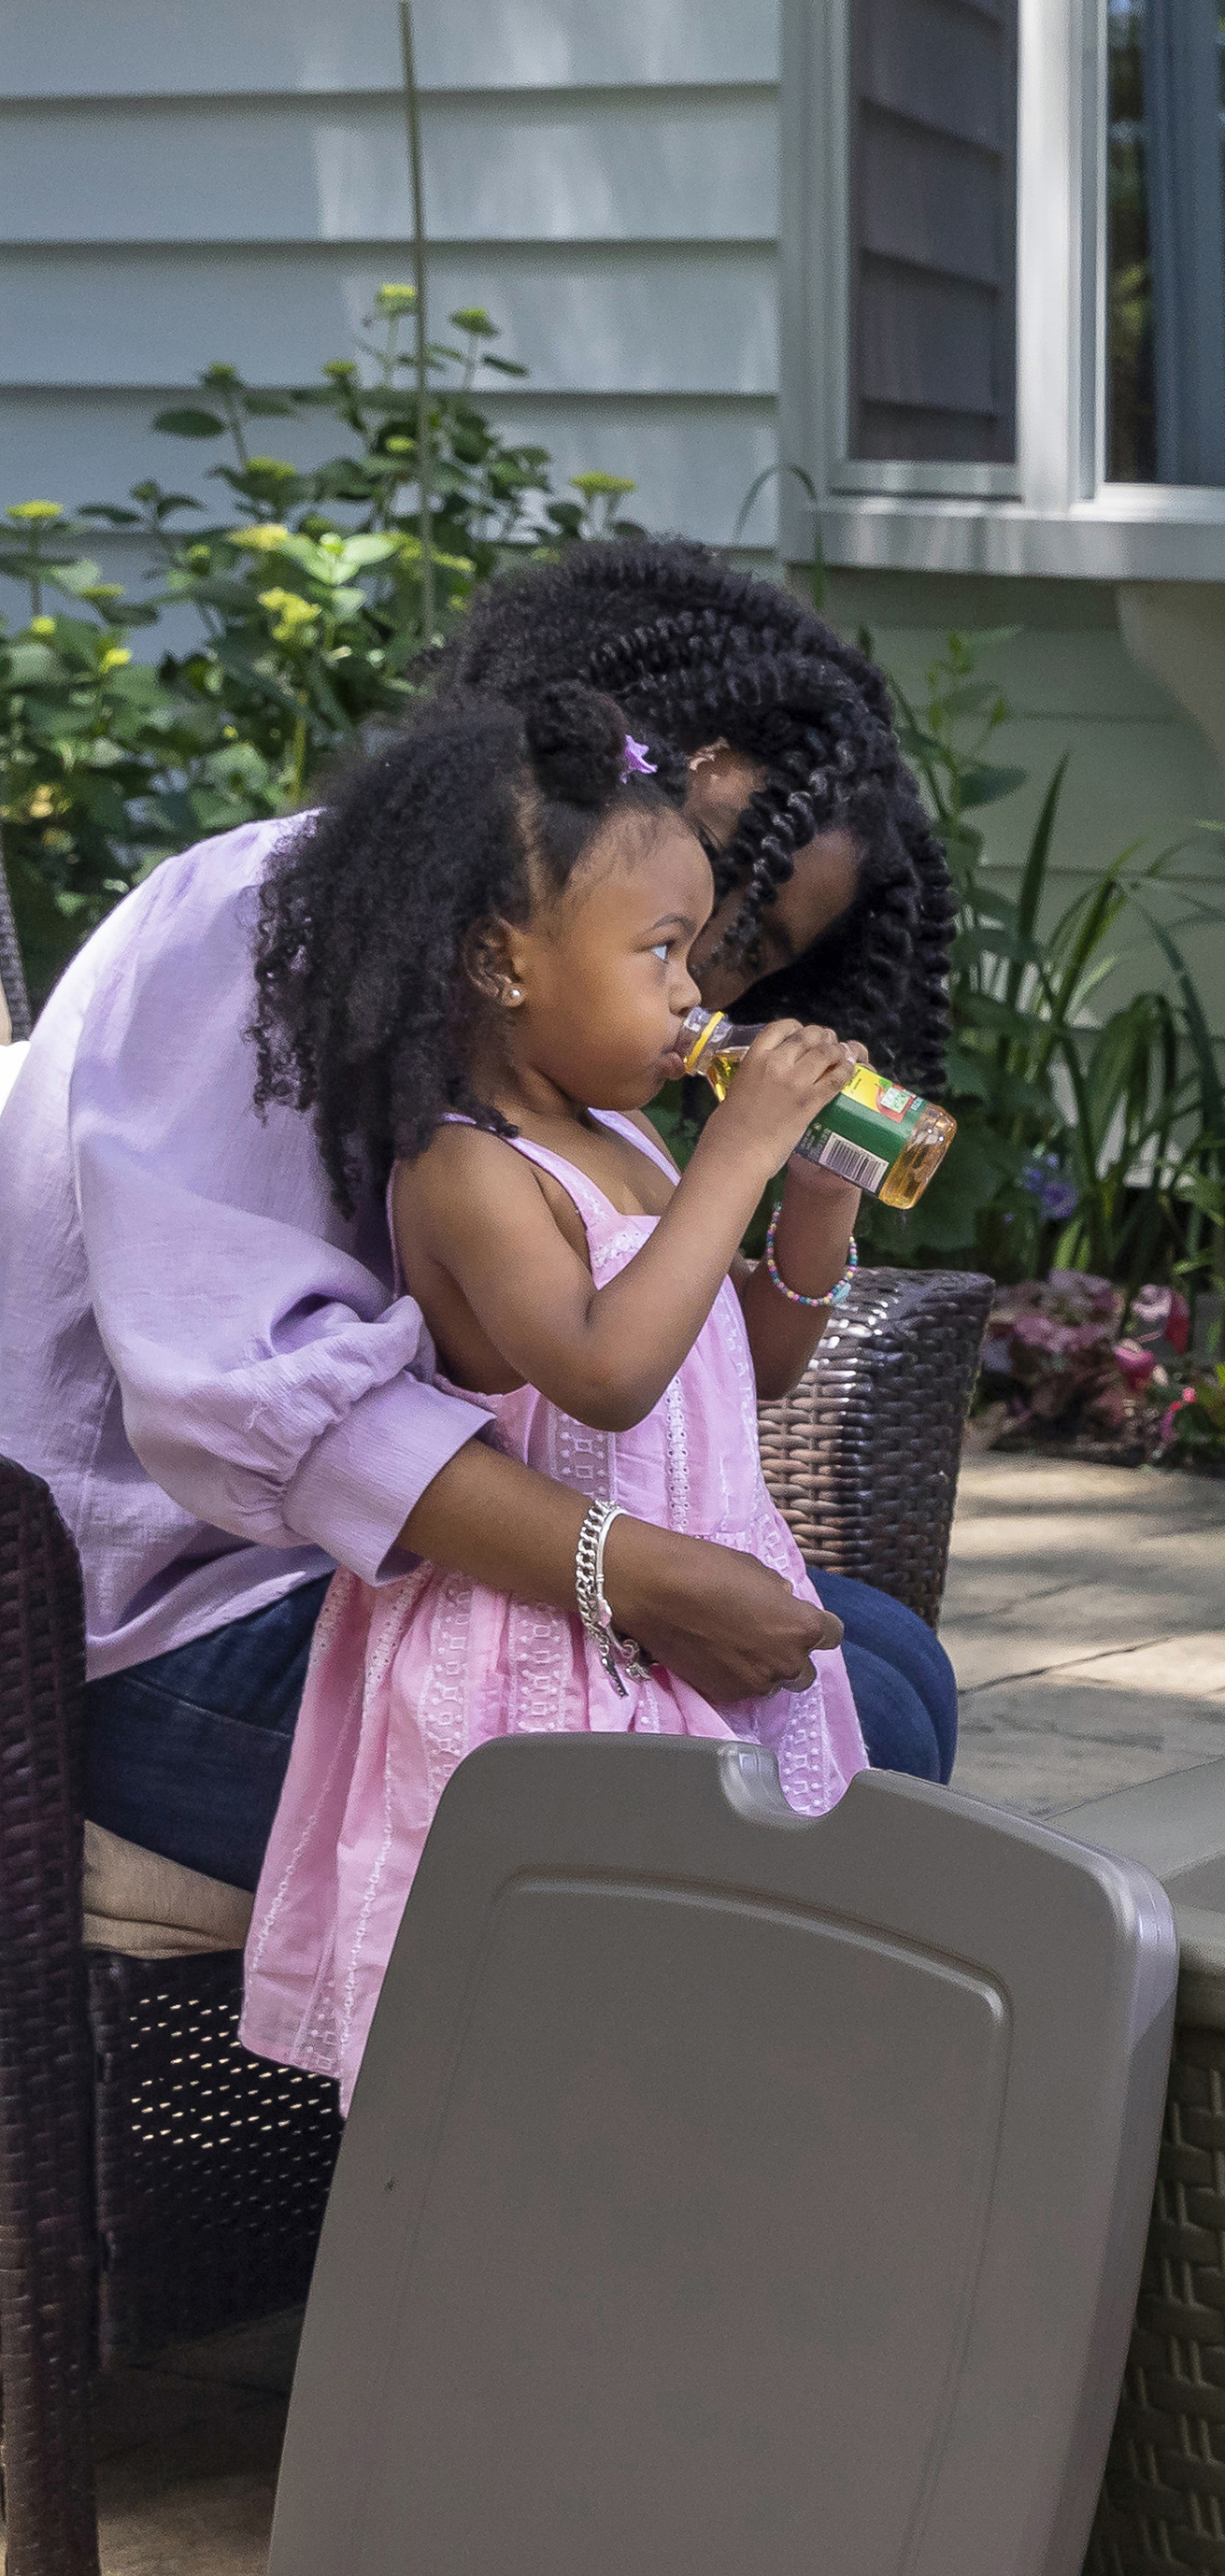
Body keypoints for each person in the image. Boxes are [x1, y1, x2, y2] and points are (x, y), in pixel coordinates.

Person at [0, 539, 961, 1896]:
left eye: (743, 956)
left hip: (399, 1583)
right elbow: (269, 1404)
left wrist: (806, 1213)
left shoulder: (567, 1083)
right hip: (169, 1636)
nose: (709, 994)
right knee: (841, 1753)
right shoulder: (263, 926)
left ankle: (705, 2089)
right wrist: (631, 1575)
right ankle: (610, 2100)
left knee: (881, 1668)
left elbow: (663, 1369)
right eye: (698, 919)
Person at [238, 689, 875, 2099]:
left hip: (684, 1611)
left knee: (714, 2008)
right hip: (547, 1658)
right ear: (500, 963)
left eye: (698, 956)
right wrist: (739, 1157)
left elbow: (742, 1365)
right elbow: (601, 1378)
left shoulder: (626, 1134)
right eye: (660, 955)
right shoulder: (468, 1169)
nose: (696, 997)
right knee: (558, 2039)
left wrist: (811, 1219)